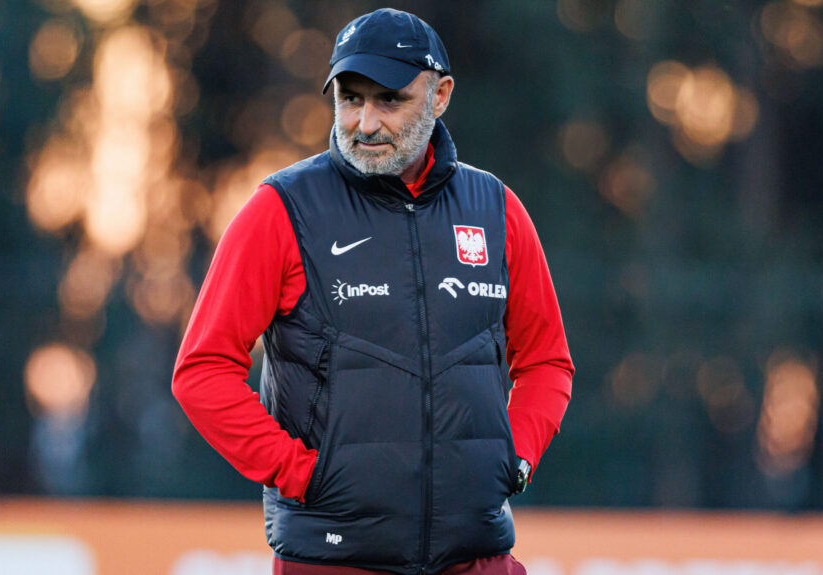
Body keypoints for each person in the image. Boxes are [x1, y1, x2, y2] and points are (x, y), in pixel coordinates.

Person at [173, 8, 574, 575]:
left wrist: (517, 458)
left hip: (475, 556)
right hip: (334, 558)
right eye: (350, 98)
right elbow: (202, 371)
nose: (364, 123)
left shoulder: (497, 210)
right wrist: (301, 473)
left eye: (389, 100)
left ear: (440, 96)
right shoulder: (281, 209)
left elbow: (547, 362)